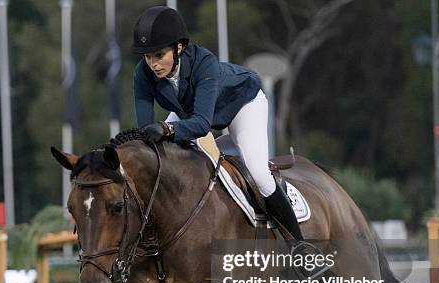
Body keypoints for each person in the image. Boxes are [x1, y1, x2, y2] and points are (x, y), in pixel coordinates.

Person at [132, 6, 312, 251]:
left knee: (258, 174)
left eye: (158, 55)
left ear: (179, 47)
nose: (153, 64)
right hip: (191, 112)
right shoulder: (142, 74)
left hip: (241, 104)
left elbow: (203, 125)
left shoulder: (204, 62)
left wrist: (167, 129)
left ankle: (299, 245)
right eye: (147, 57)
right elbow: (147, 131)